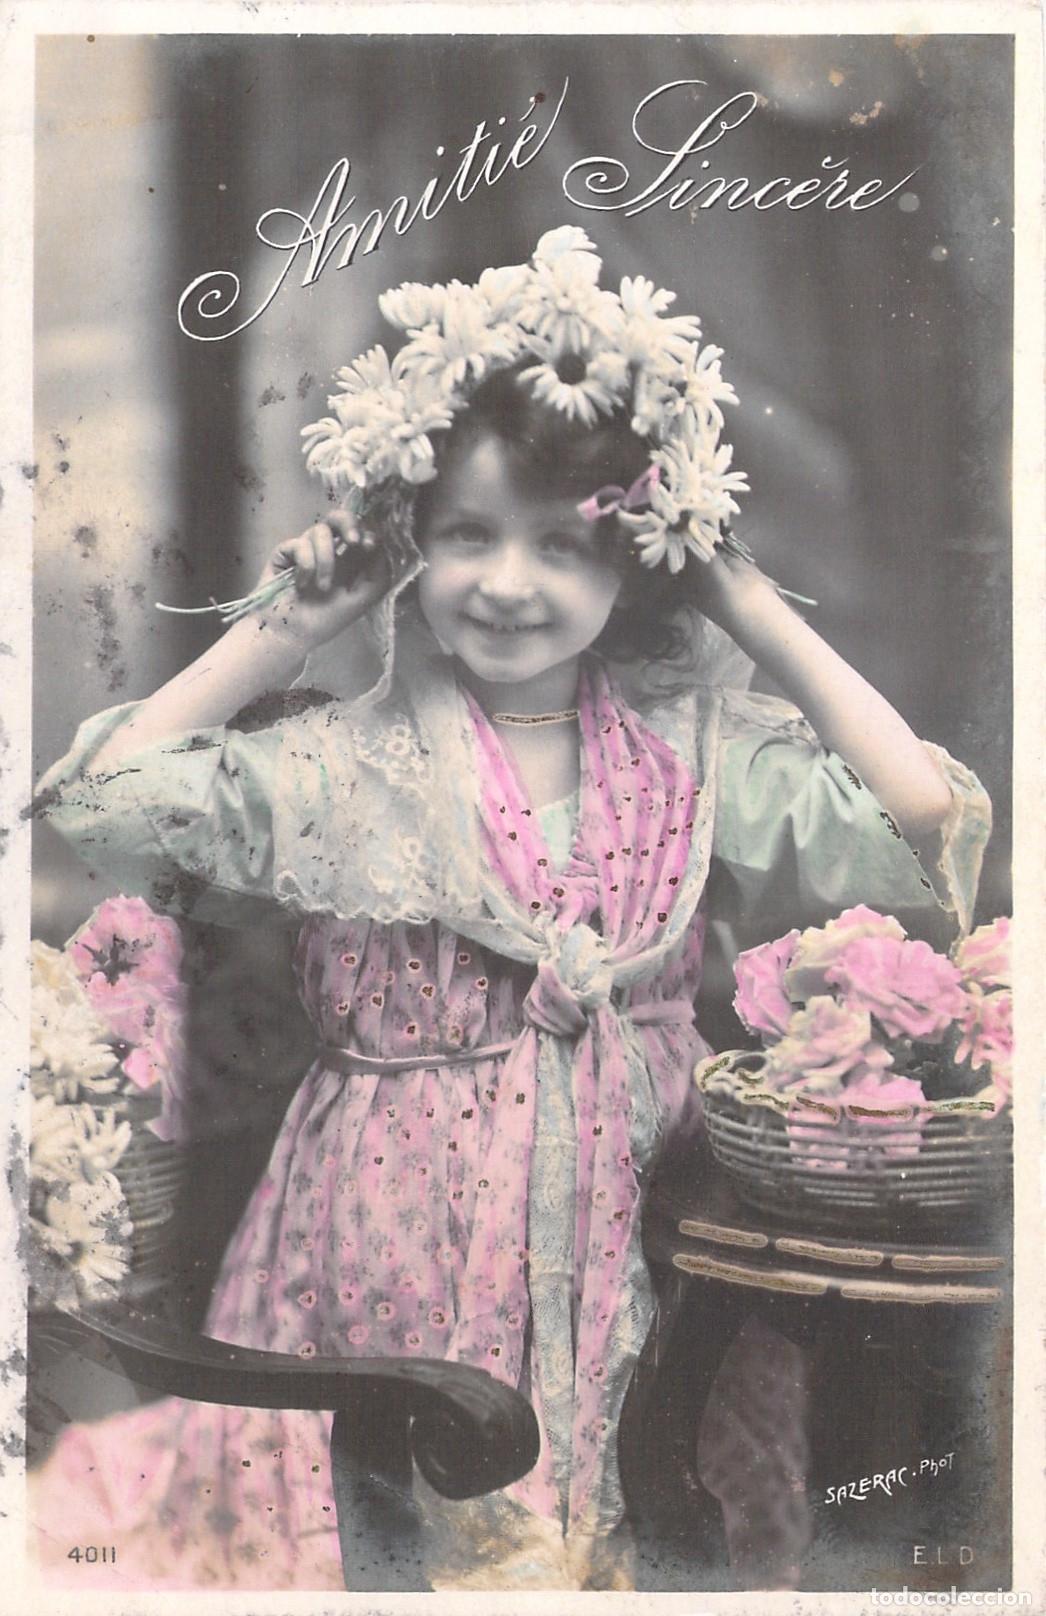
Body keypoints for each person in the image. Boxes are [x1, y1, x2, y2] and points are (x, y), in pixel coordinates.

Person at [28, 226, 991, 1591]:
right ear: (409, 540)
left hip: (635, 1233)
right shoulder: (344, 758)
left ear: (635, 558)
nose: (509, 584)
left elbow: (924, 822)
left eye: (564, 544)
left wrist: (745, 598)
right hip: (376, 1232)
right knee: (408, 1543)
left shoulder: (688, 750)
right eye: (469, 534)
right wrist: (288, 628)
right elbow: (100, 805)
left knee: (635, 1526)